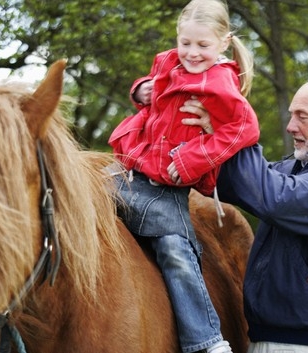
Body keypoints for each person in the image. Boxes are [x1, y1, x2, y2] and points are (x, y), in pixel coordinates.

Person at [180, 76, 308, 353]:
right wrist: (208, 138)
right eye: (291, 115)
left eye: (302, 116)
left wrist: (234, 129)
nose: (290, 126)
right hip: (266, 338)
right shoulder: (294, 170)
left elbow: (276, 198)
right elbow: (233, 182)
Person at [108, 1, 260, 352]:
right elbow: (156, 92)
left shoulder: (220, 81)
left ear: (223, 43)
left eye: (203, 46)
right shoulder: (168, 60)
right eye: (185, 43)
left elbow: (243, 129)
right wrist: (141, 89)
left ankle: (207, 340)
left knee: (175, 252)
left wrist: (194, 158)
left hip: (166, 187)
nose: (192, 53)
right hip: (134, 165)